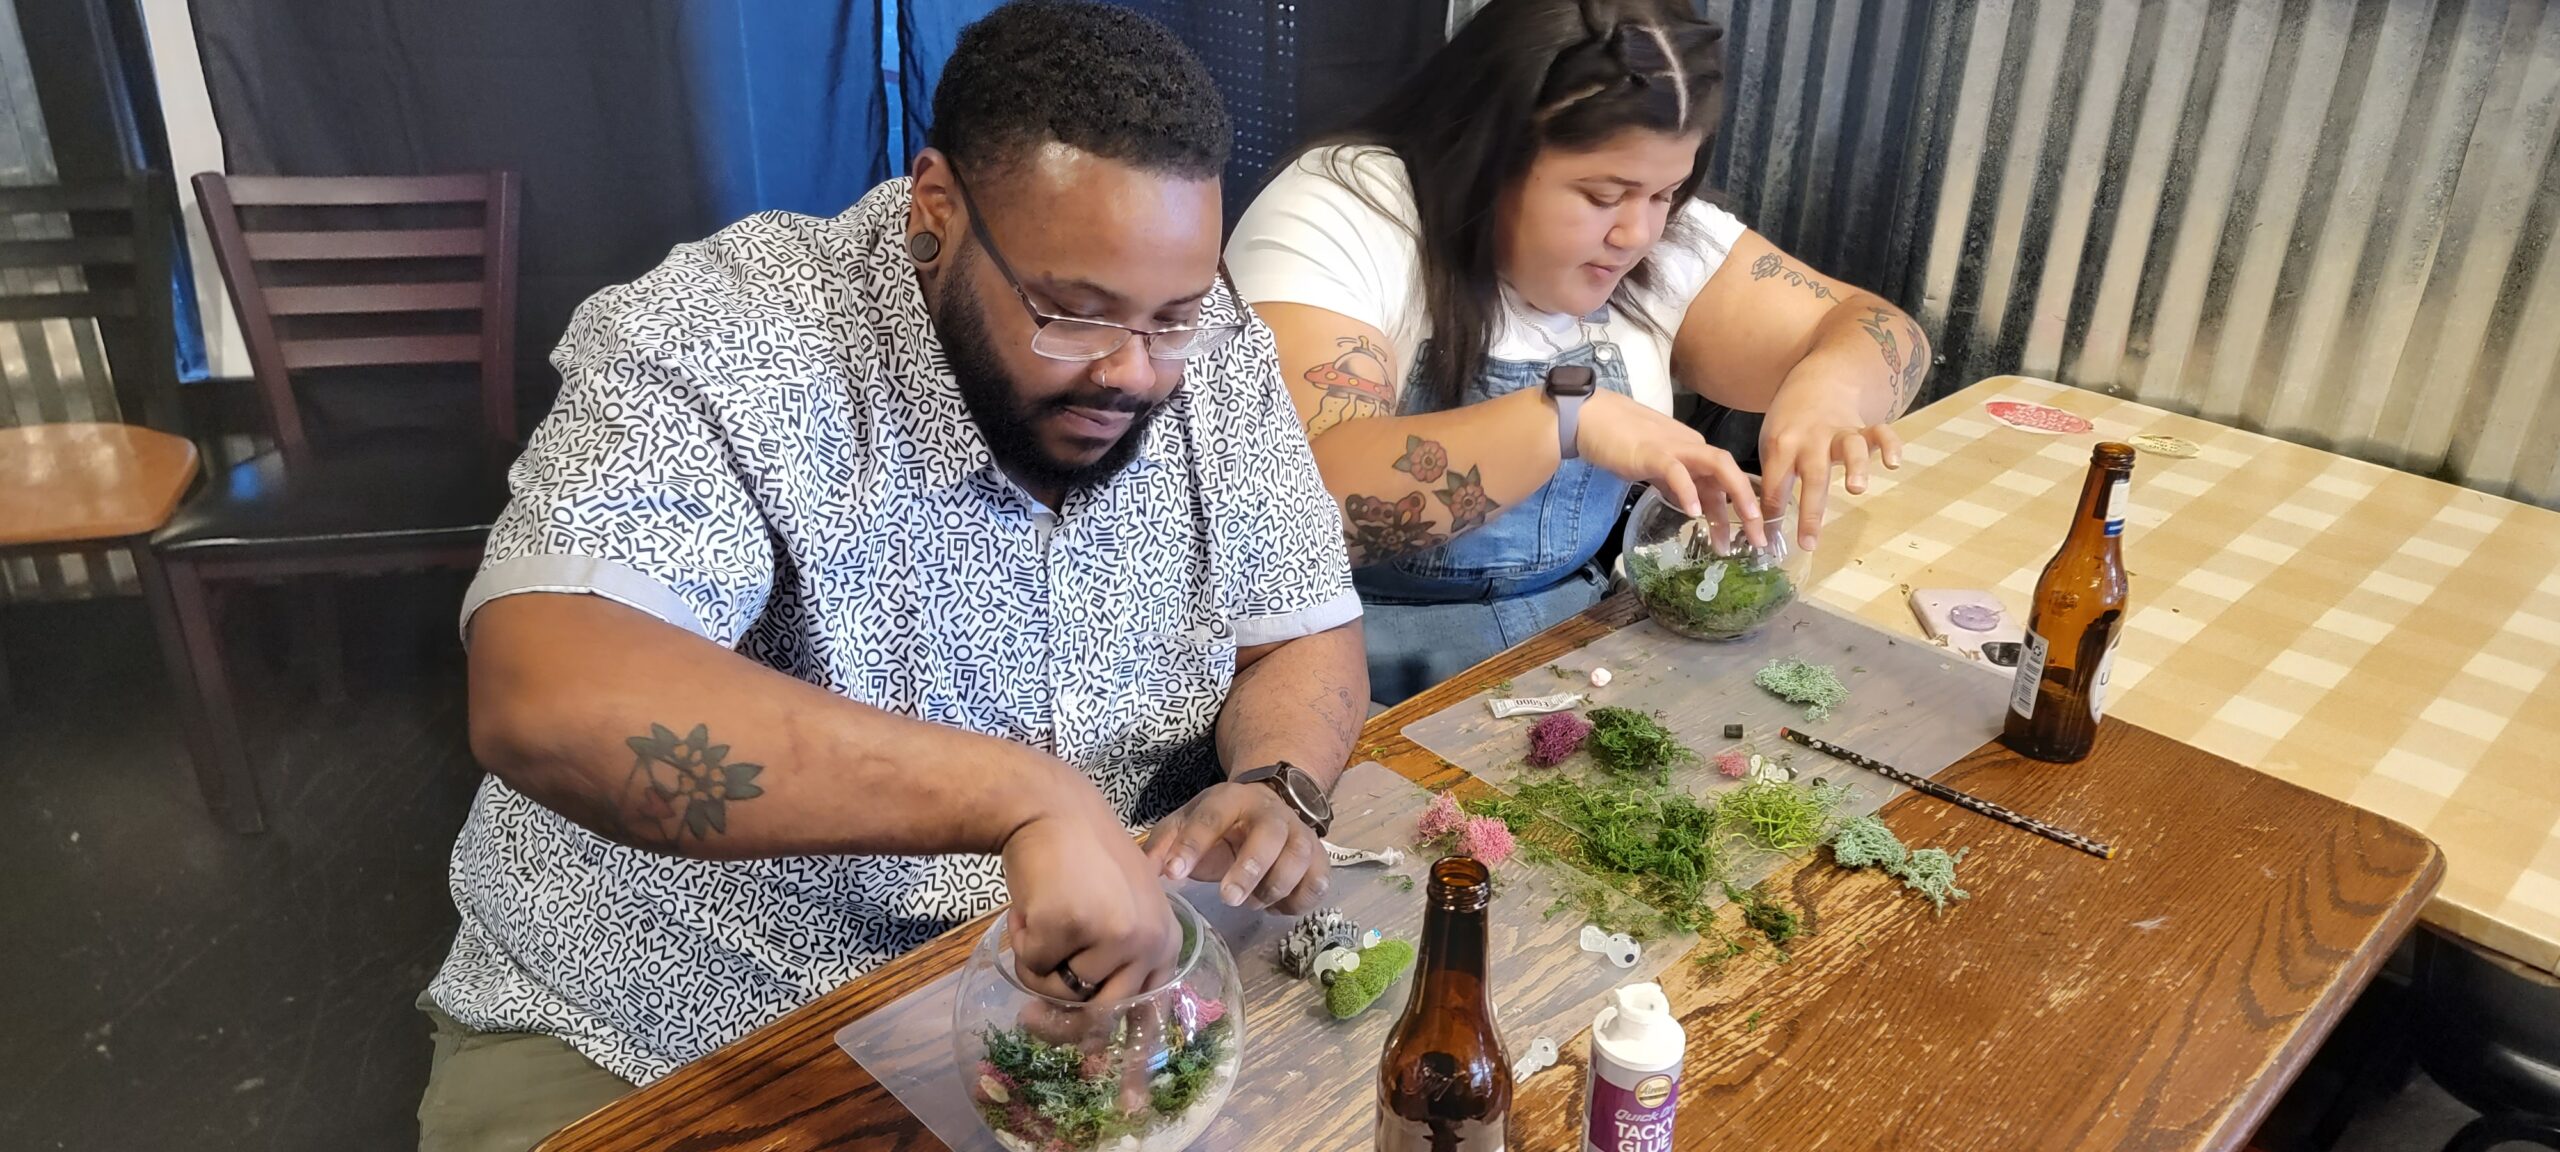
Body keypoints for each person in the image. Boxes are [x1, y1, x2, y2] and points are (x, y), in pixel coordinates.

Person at [414, 5, 1367, 1148]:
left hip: (1071, 1009)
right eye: (1073, 314)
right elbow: (544, 694)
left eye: (1173, 319)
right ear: (936, 210)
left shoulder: (1214, 351)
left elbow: (1301, 628)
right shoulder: (732, 333)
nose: (1134, 372)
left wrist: (1277, 781)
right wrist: (1026, 798)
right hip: (667, 1024)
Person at [1227, 0, 1930, 706]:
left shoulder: (1660, 237)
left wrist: (1829, 389)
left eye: (1665, 193)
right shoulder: (1344, 212)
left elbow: (1878, 327)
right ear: (1486, 154)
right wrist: (1565, 420)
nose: (1638, 235)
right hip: (1338, 682)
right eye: (1601, 195)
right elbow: (1291, 506)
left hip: (1567, 662)